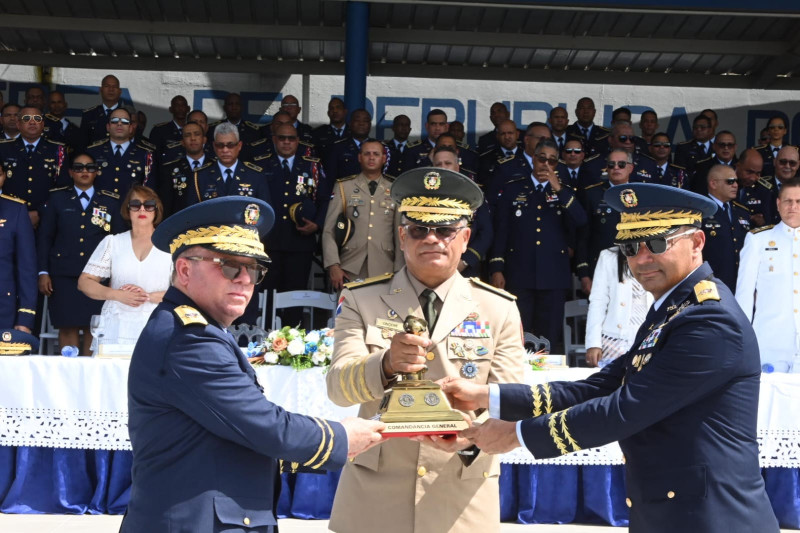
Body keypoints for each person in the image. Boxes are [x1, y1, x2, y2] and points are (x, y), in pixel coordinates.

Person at [444, 182, 779, 533]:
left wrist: (517, 435)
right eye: (631, 247)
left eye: (658, 243)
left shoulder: (709, 320)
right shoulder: (672, 309)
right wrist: (489, 397)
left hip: (713, 518)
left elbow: (625, 409)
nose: (642, 258)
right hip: (671, 512)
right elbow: (599, 387)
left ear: (697, 243)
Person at [121, 196, 384, 532]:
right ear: (185, 270)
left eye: (254, 268)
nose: (245, 279)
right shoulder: (190, 338)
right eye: (229, 265)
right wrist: (342, 438)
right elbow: (261, 425)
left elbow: (236, 434)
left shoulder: (201, 329)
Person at [326, 167, 525, 533]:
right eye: (419, 229)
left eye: (445, 230)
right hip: (375, 499)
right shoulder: (359, 298)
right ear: (402, 237)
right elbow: (338, 388)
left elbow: (512, 404)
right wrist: (385, 364)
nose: (432, 239)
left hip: (460, 495)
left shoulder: (498, 307)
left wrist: (466, 438)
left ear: (465, 238)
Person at [490, 138, 587, 349]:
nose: (546, 164)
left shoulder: (564, 191)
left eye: (552, 161)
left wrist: (559, 189)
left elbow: (581, 220)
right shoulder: (514, 189)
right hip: (519, 273)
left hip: (553, 276)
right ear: (533, 159)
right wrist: (497, 267)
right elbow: (501, 231)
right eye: (542, 159)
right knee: (518, 334)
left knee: (550, 335)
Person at [37, 153, 124, 355]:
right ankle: (69, 377)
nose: (84, 171)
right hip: (64, 274)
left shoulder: (110, 201)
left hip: (98, 275)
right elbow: (45, 237)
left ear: (97, 171)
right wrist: (43, 272)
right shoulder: (57, 199)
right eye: (79, 167)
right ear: (70, 172)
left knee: (94, 328)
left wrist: (115, 275)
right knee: (67, 326)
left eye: (90, 167)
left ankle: (87, 376)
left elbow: (118, 240)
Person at [78, 185, 172, 348]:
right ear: (127, 209)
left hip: (157, 325)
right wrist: (116, 294)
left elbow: (187, 290)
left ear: (156, 210)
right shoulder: (112, 242)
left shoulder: (171, 245)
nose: (142, 209)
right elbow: (84, 282)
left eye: (148, 205)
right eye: (135, 205)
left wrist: (148, 296)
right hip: (115, 327)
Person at [736, 177, 800, 373]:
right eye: (788, 201)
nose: (793, 207)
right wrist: (742, 342)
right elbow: (744, 296)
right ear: (778, 204)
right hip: (770, 344)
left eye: (798, 202)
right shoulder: (758, 240)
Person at [322, 139, 403, 291]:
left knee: (380, 314)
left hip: (385, 266)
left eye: (376, 154)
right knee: (349, 313)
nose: (371, 158)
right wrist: (333, 265)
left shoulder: (395, 189)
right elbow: (329, 230)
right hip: (349, 266)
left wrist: (399, 270)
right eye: (367, 154)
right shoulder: (344, 186)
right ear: (359, 157)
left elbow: (400, 234)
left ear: (384, 159)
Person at [0, 105, 69, 228]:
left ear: (43, 124)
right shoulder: (3, 148)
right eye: (26, 118)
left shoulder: (58, 150)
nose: (32, 122)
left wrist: (40, 211)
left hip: (46, 218)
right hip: (9, 215)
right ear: (18, 124)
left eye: (37, 118)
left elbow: (62, 186)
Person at [585, 247, 653, 367]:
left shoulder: (659, 253)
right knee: (612, 382)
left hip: (648, 337)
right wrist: (593, 343)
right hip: (615, 339)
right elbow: (598, 301)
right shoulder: (608, 256)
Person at [86, 107, 156, 200]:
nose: (119, 124)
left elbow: (149, 190)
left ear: (131, 128)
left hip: (130, 210)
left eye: (124, 121)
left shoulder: (145, 155)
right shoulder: (93, 152)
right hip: (100, 211)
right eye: (114, 121)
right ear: (108, 127)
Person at [700, 165, 750, 292]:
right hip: (711, 284)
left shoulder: (741, 211)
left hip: (740, 283)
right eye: (730, 181)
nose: (735, 185)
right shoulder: (701, 211)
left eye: (736, 181)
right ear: (713, 183)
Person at [0, 164, 37, 332]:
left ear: (3, 177)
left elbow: (26, 268)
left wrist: (25, 317)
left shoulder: (15, 209)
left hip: (3, 309)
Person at [79, 74, 122, 150]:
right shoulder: (89, 115)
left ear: (120, 91)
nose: (111, 89)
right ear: (100, 90)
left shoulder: (127, 115)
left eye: (114, 87)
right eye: (107, 86)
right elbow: (82, 145)